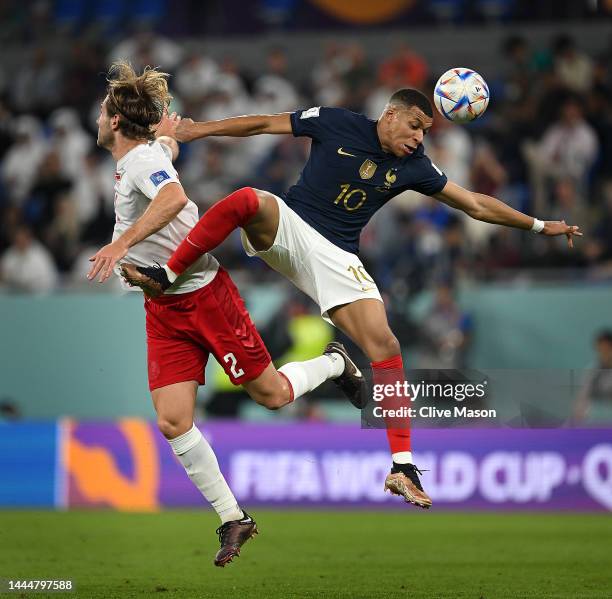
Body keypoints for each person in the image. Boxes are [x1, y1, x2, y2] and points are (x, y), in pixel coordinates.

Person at [123, 89, 582, 510]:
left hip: (337, 257)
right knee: (248, 200)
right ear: (391, 114)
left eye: (426, 131)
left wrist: (540, 226)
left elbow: (476, 205)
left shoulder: (417, 166)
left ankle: (402, 466)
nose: (420, 137)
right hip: (291, 229)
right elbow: (264, 123)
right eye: (416, 126)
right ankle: (167, 272)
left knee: (386, 346)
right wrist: (195, 130)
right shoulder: (337, 122)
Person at [87, 61, 365, 567]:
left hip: (205, 296)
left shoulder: (141, 161)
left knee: (273, 395)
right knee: (173, 423)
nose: (99, 118)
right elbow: (165, 156)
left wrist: (118, 245)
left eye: (104, 111)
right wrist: (170, 137)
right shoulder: (143, 156)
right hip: (163, 307)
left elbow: (173, 197)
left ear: (117, 122)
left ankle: (334, 363)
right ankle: (233, 517)